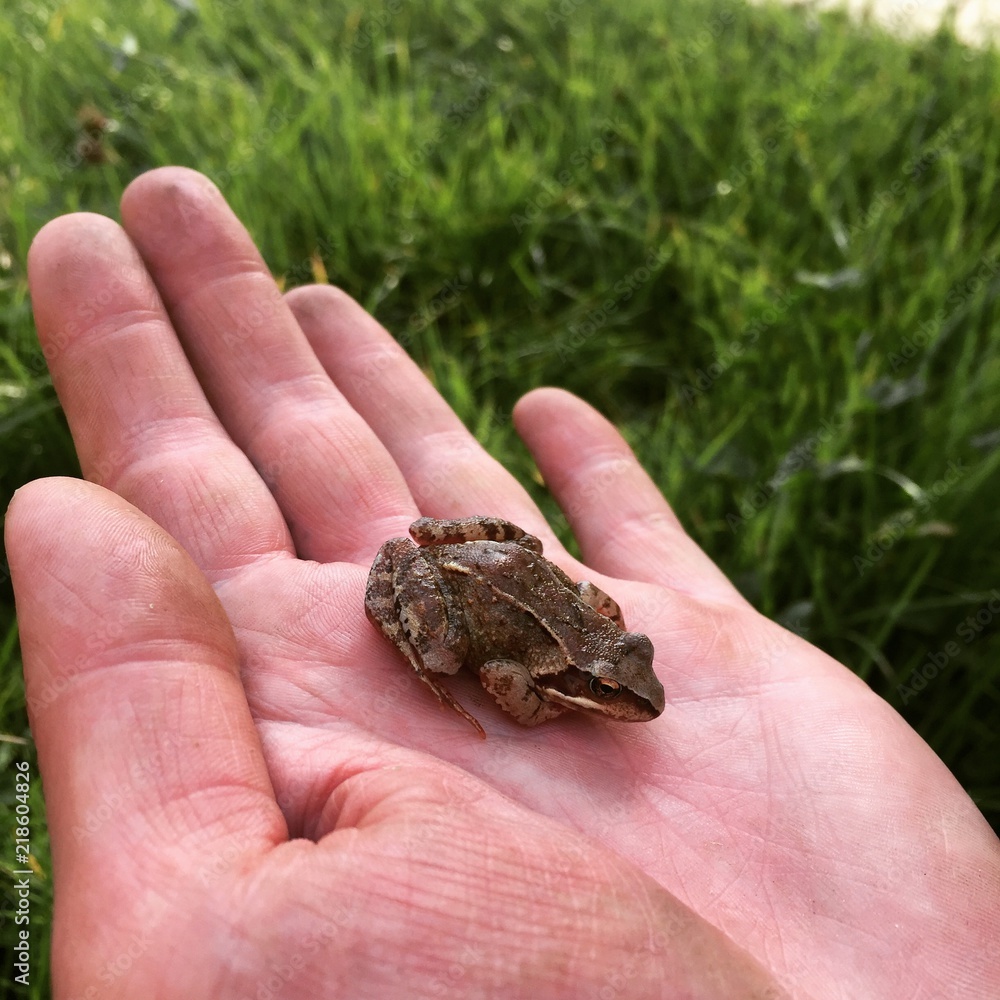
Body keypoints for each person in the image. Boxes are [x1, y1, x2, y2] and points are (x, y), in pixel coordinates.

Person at [7, 167, 998, 999]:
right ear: (586, 678)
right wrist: (541, 681)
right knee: (446, 652)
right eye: (611, 687)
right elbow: (508, 690)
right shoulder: (554, 675)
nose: (624, 697)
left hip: (492, 558)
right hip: (465, 586)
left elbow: (593, 623)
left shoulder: (600, 638)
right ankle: (415, 633)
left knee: (498, 573)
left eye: (621, 679)